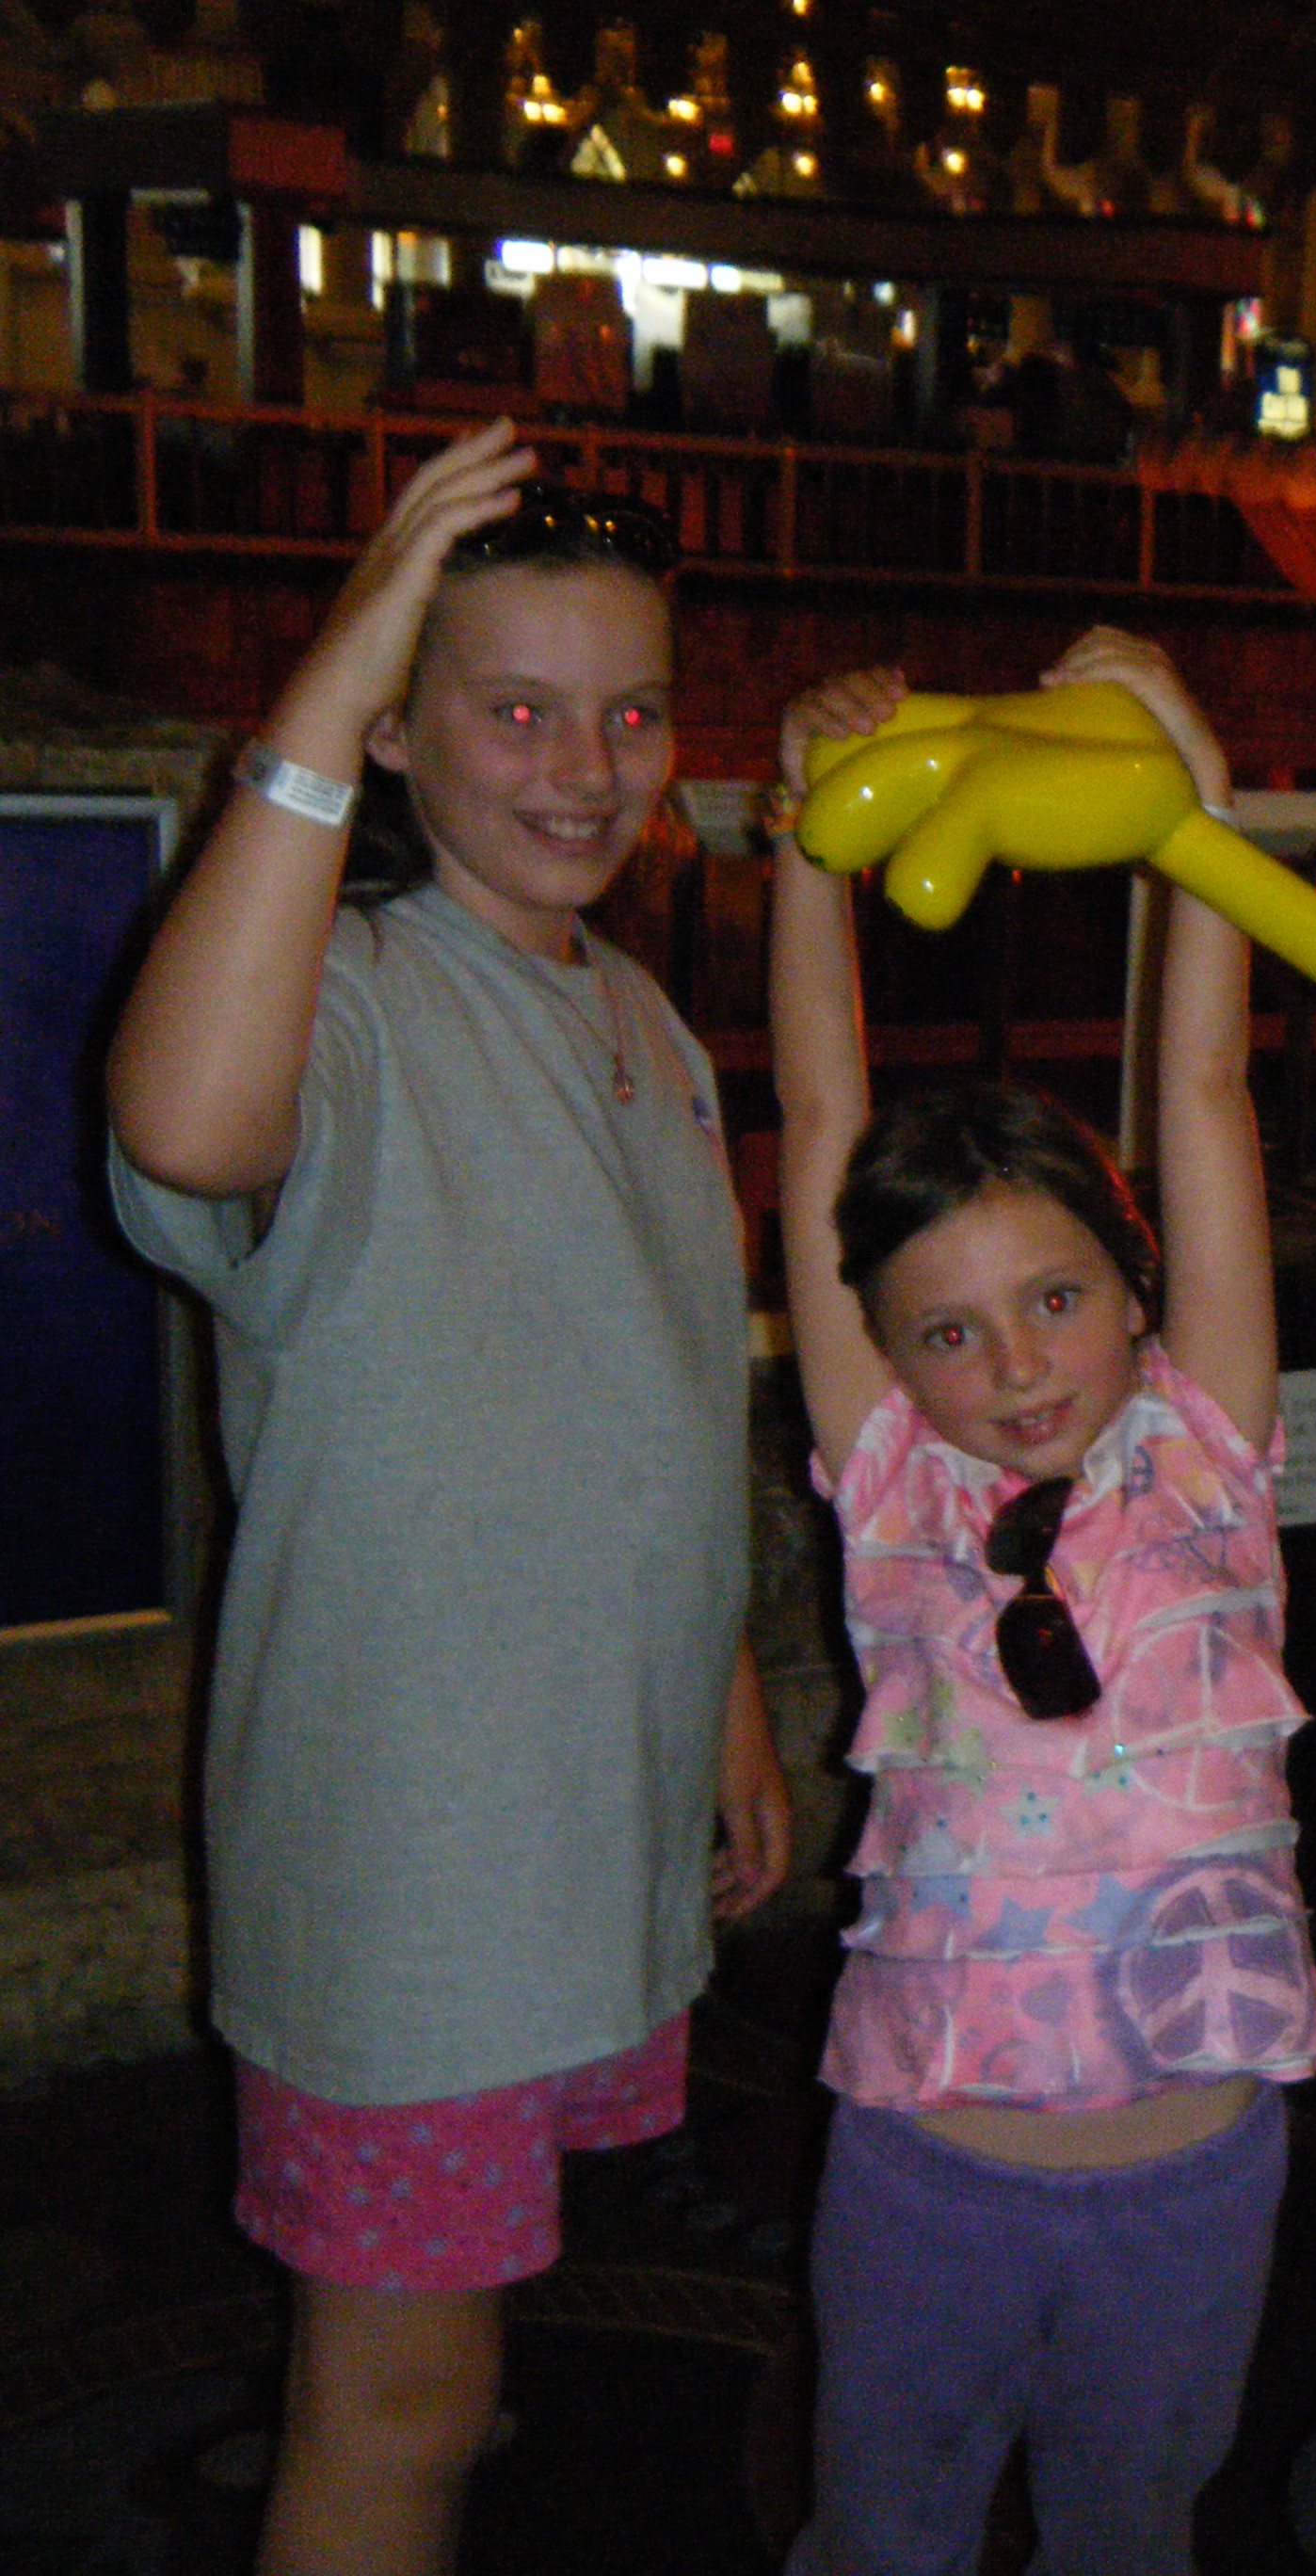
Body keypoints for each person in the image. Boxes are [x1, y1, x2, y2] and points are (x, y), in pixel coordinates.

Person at [104, 420, 790, 2576]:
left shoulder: (642, 1017)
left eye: (631, 713)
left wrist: (727, 1688)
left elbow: (663, 1390)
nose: (585, 769)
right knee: (390, 2407)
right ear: (392, 732)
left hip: (580, 1827)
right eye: (512, 710)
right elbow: (189, 1125)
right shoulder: (346, 999)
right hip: (413, 1885)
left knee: (461, 2357)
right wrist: (332, 671)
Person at [768, 630, 1316, 2576]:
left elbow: (1206, 1088)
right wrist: (806, 840)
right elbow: (822, 1125)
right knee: (886, 2534)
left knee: (1130, 2534)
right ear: (887, 1353)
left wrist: (1192, 790)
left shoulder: (1205, 1451)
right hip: (928, 2172)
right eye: (947, 1330)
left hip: (1194, 2178)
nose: (1013, 1364)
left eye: (1057, 1298)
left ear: (1135, 1284)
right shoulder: (893, 1486)